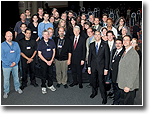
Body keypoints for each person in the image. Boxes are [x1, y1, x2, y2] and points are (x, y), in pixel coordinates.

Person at [88, 31, 110, 104]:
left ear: (100, 36)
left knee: (101, 82)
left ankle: (104, 97)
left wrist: (106, 68)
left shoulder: (105, 45)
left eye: (98, 34)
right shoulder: (91, 45)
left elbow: (107, 58)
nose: (97, 36)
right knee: (93, 80)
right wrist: (89, 67)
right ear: (94, 36)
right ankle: (94, 92)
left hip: (101, 67)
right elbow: (89, 56)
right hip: (93, 66)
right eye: (96, 34)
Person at [117, 35, 139, 105]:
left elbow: (133, 71)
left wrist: (129, 85)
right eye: (124, 40)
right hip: (123, 83)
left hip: (129, 85)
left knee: (128, 103)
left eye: (127, 40)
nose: (125, 41)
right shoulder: (125, 51)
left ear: (130, 42)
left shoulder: (134, 54)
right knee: (123, 101)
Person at [1, 31, 22, 98]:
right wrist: (9, 63)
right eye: (8, 36)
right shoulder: (2, 45)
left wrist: (15, 62)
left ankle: (17, 88)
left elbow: (18, 53)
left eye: (11, 36)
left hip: (15, 65)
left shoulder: (16, 44)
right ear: (5, 37)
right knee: (6, 80)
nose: (10, 37)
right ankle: (6, 91)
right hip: (6, 66)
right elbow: (2, 56)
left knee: (16, 77)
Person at [37, 30, 56, 94]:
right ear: (42, 35)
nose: (46, 35)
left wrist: (51, 60)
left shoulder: (52, 41)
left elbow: (54, 51)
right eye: (45, 34)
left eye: (47, 34)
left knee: (50, 74)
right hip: (43, 61)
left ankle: (50, 85)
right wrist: (46, 61)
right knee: (44, 74)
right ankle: (43, 86)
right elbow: (39, 54)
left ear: (49, 35)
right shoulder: (40, 43)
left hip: (50, 60)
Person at [111, 39, 125, 105]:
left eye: (119, 43)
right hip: (113, 74)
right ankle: (115, 99)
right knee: (115, 88)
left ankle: (116, 103)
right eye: (116, 43)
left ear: (122, 44)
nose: (118, 44)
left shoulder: (124, 53)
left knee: (119, 90)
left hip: (119, 75)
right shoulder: (114, 51)